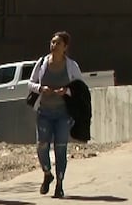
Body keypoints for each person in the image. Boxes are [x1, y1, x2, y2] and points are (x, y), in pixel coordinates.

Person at [29, 31, 88, 199]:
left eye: (57, 43)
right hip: (44, 112)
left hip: (63, 114)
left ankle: (60, 185)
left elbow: (80, 87)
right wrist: (41, 89)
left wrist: (67, 90)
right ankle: (47, 173)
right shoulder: (42, 63)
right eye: (52, 42)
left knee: (60, 148)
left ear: (65, 47)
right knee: (42, 145)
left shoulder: (71, 66)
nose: (53, 46)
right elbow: (30, 83)